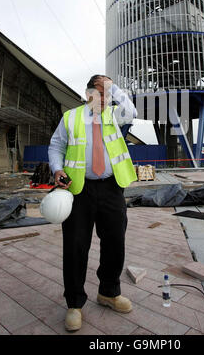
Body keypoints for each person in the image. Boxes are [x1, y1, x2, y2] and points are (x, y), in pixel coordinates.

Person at [48, 74, 137, 331]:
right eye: (101, 90)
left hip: (111, 187)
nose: (106, 96)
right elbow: (56, 147)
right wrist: (56, 169)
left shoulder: (113, 115)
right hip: (79, 189)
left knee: (115, 242)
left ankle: (109, 292)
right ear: (88, 94)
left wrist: (113, 87)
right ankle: (74, 304)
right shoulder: (71, 117)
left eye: (108, 92)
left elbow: (130, 111)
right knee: (75, 246)